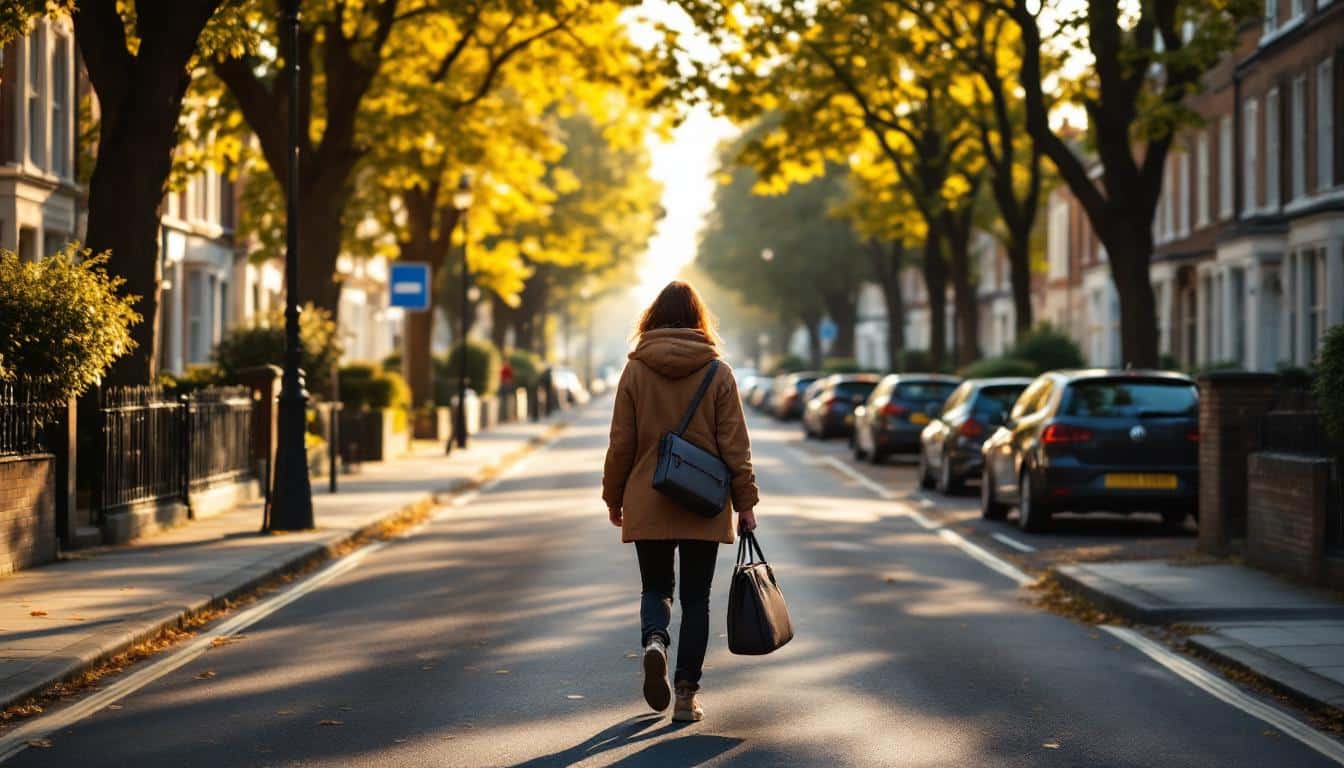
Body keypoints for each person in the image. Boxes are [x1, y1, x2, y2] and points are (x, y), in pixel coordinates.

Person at [601, 281, 759, 723]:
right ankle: (687, 696)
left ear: (651, 318)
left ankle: (655, 640)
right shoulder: (718, 373)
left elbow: (621, 444)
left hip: (648, 497)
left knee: (655, 588)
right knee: (696, 599)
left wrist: (614, 496)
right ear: (698, 320)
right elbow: (735, 446)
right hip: (703, 502)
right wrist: (745, 502)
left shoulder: (635, 370)